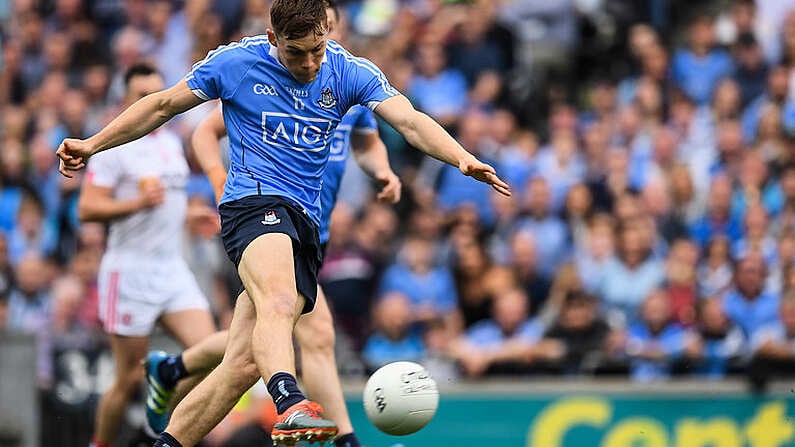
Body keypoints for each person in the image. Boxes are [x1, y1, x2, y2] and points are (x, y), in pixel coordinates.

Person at [56, 0, 511, 445]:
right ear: (273, 38)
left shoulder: (350, 70)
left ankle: (172, 414)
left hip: (307, 224)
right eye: (296, 52)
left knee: (241, 366)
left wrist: (461, 158)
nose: (310, 63)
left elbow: (408, 121)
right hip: (252, 205)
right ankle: (290, 402)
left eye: (318, 49)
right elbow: (161, 106)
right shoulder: (236, 63)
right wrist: (93, 144)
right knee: (281, 304)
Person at [142, 8, 402, 447]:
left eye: (325, 36)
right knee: (309, 329)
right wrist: (221, 181)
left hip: (310, 231)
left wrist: (383, 172)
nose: (314, 55)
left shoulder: (346, 85)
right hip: (262, 217)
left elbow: (370, 143)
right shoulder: (266, 81)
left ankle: (172, 375)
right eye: (303, 45)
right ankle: (332, 433)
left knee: (247, 357)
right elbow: (205, 130)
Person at [78, 63, 219, 447]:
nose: (152, 101)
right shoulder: (113, 147)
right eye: (142, 95)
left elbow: (167, 200)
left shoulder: (170, 141)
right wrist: (139, 202)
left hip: (171, 266)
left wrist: (191, 215)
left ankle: (148, 426)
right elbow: (87, 209)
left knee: (211, 355)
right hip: (130, 271)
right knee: (126, 379)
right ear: (126, 99)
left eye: (156, 93)